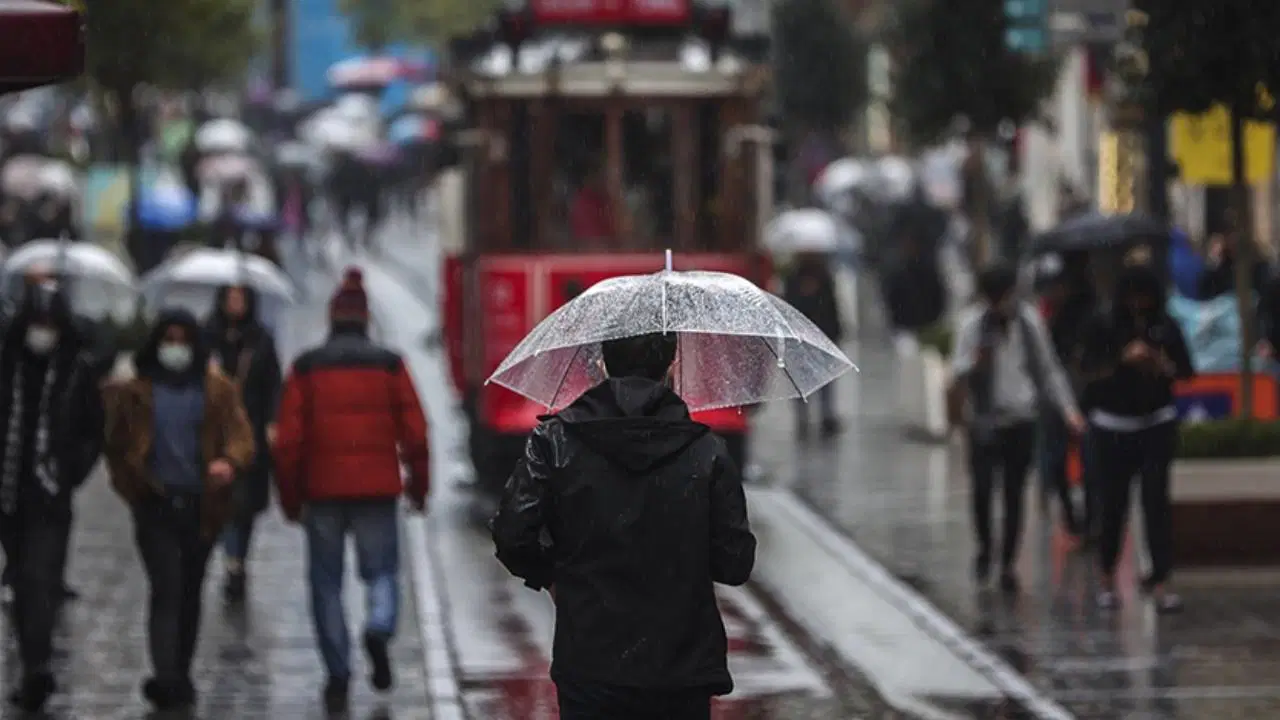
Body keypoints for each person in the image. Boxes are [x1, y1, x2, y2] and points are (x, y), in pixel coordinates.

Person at [491, 331, 757, 720]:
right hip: (679, 670)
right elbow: (735, 563)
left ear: (602, 365)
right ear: (670, 367)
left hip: (590, 663)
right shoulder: (707, 452)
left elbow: (513, 533)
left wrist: (552, 577)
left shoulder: (555, 440)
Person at [272, 268, 430, 713]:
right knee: (382, 572)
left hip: (321, 493)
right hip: (378, 489)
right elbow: (416, 435)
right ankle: (379, 626)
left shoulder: (305, 368)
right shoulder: (390, 364)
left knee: (325, 583)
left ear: (331, 319)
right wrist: (419, 487)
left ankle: (338, 672)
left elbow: (288, 443)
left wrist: (290, 498)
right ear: (365, 320)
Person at [102, 308, 255, 710]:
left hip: (201, 508)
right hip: (154, 506)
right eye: (167, 339)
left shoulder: (217, 390)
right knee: (166, 588)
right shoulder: (138, 391)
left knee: (189, 592)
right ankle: (166, 676)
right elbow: (116, 445)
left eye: (182, 339)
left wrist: (229, 463)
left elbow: (241, 437)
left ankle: (180, 672)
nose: (175, 348)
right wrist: (131, 485)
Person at [0, 281, 103, 711]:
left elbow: (92, 431)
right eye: (36, 322)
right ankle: (31, 661)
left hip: (50, 495)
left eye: (49, 323)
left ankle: (37, 666)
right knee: (23, 580)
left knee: (40, 579)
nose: (42, 331)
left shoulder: (76, 371)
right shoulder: (7, 365)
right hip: (8, 492)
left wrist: (68, 471)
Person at [950, 264, 1085, 593]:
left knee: (1014, 494)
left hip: (1020, 420)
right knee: (982, 491)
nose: (1001, 305)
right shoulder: (972, 325)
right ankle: (985, 549)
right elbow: (957, 371)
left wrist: (1069, 411)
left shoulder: (1029, 323)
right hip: (983, 421)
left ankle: (1008, 563)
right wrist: (975, 363)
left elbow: (1048, 369)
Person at [1080, 263, 1194, 612]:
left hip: (1156, 423)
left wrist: (1161, 364)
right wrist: (1121, 361)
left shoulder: (1165, 326)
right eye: (1132, 298)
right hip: (1112, 426)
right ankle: (1106, 578)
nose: (1138, 306)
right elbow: (1086, 371)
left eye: (1144, 299)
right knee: (1112, 505)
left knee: (1156, 503)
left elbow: (1187, 371)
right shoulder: (1103, 324)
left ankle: (1160, 580)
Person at [206, 285, 282, 603]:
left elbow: (273, 383)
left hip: (250, 432)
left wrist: (272, 422)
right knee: (223, 501)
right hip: (214, 432)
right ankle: (232, 561)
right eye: (230, 298)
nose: (235, 304)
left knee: (244, 504)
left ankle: (237, 560)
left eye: (241, 299)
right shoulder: (207, 335)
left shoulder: (261, 339)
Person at [1037, 253, 1096, 539]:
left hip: (1083, 394)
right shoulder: (1049, 316)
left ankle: (1088, 517)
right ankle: (1071, 516)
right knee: (1056, 458)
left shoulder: (1088, 312)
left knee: (1088, 457)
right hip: (1057, 397)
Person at [783, 252, 843, 439]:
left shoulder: (824, 278)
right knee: (801, 380)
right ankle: (803, 419)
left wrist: (835, 332)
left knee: (825, 380)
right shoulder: (793, 279)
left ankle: (826, 417)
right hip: (800, 338)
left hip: (822, 335)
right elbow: (790, 308)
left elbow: (831, 307)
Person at [570, 164, 617, 246]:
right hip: (591, 252)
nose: (603, 180)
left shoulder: (603, 200)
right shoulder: (584, 202)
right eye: (600, 176)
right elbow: (590, 242)